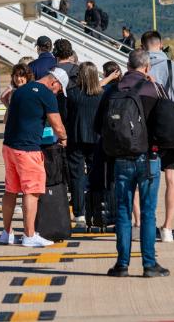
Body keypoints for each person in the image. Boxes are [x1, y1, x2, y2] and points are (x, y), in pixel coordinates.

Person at [94, 49, 169, 278]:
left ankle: (122, 264)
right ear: (146, 67)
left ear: (127, 65)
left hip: (120, 159)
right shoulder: (152, 88)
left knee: (124, 212)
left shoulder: (113, 90)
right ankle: (149, 264)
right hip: (148, 158)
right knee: (148, 212)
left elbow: (98, 125)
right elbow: (168, 122)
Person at [0, 68, 68, 248]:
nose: (58, 93)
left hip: (9, 146)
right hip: (28, 149)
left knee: (11, 190)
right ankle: (29, 234)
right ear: (54, 82)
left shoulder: (21, 90)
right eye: (59, 89)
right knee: (32, 191)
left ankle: (6, 232)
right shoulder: (47, 95)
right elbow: (57, 125)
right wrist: (64, 138)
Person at [141, 31, 174, 244]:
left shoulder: (141, 69)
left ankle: (144, 222)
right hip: (173, 130)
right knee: (172, 178)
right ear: (161, 45)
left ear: (143, 46)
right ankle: (168, 228)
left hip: (149, 130)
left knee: (145, 179)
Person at [65, 62, 101, 229]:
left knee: (77, 177)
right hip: (96, 139)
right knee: (96, 176)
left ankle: (79, 213)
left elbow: (65, 115)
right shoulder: (101, 95)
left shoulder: (72, 93)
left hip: (76, 138)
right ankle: (97, 210)